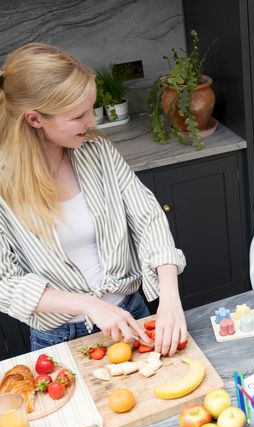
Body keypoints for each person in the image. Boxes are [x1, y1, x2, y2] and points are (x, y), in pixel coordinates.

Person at [0, 43, 187, 355]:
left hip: (134, 315)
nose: (93, 123)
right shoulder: (5, 185)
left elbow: (147, 217)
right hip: (59, 339)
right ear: (34, 119)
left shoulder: (97, 152)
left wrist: (169, 297)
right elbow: (5, 283)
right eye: (78, 116)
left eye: (91, 109)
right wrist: (90, 305)